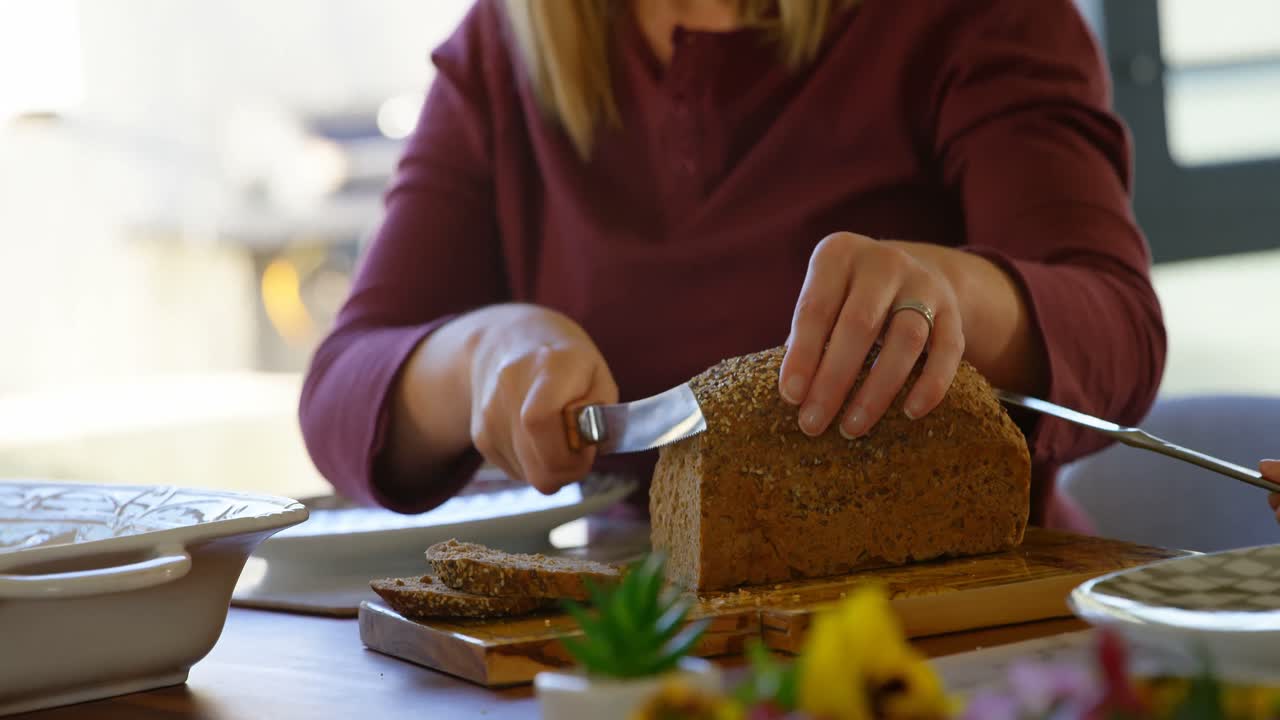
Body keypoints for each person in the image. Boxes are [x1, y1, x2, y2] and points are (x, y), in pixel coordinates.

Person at [298, 0, 1167, 530]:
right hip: (643, 642)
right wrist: (483, 356)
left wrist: (956, 299)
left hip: (959, 640)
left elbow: (1117, 333)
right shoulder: (504, 49)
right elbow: (341, 392)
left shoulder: (975, 15)